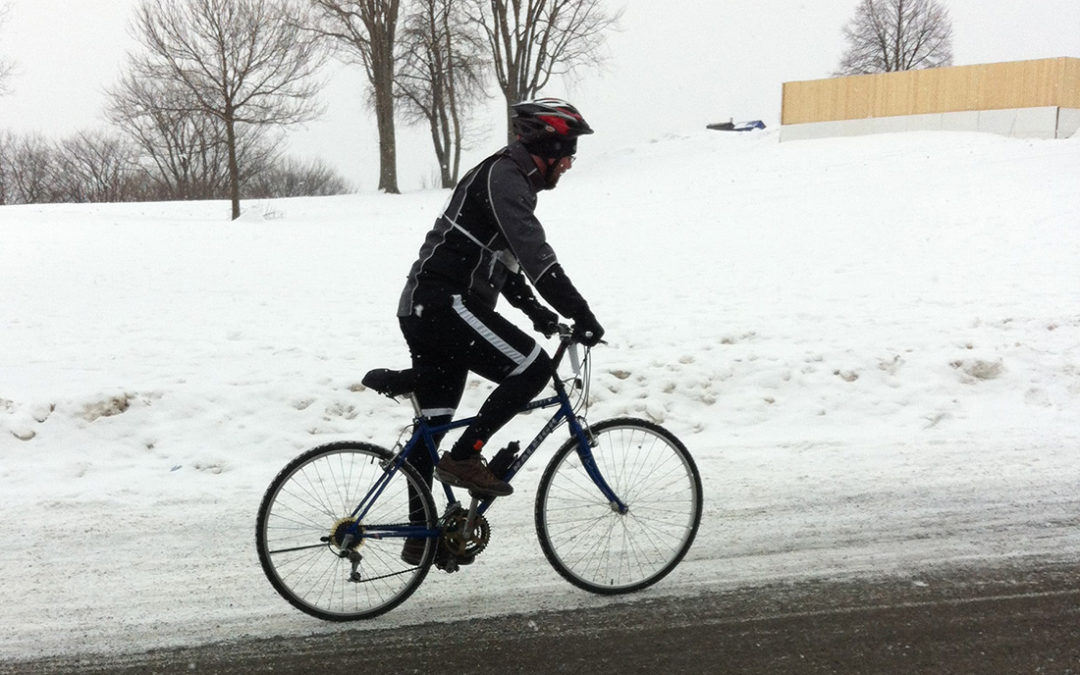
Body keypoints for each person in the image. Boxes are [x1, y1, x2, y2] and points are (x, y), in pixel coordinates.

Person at [396, 98, 604, 532]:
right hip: (444, 302)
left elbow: (505, 265)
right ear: (544, 147)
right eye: (566, 153)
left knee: (431, 430)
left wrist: (538, 313)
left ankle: (420, 538)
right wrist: (580, 312)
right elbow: (535, 256)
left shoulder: (507, 177)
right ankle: (467, 456)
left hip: (426, 307)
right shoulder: (507, 177)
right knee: (532, 368)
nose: (568, 164)